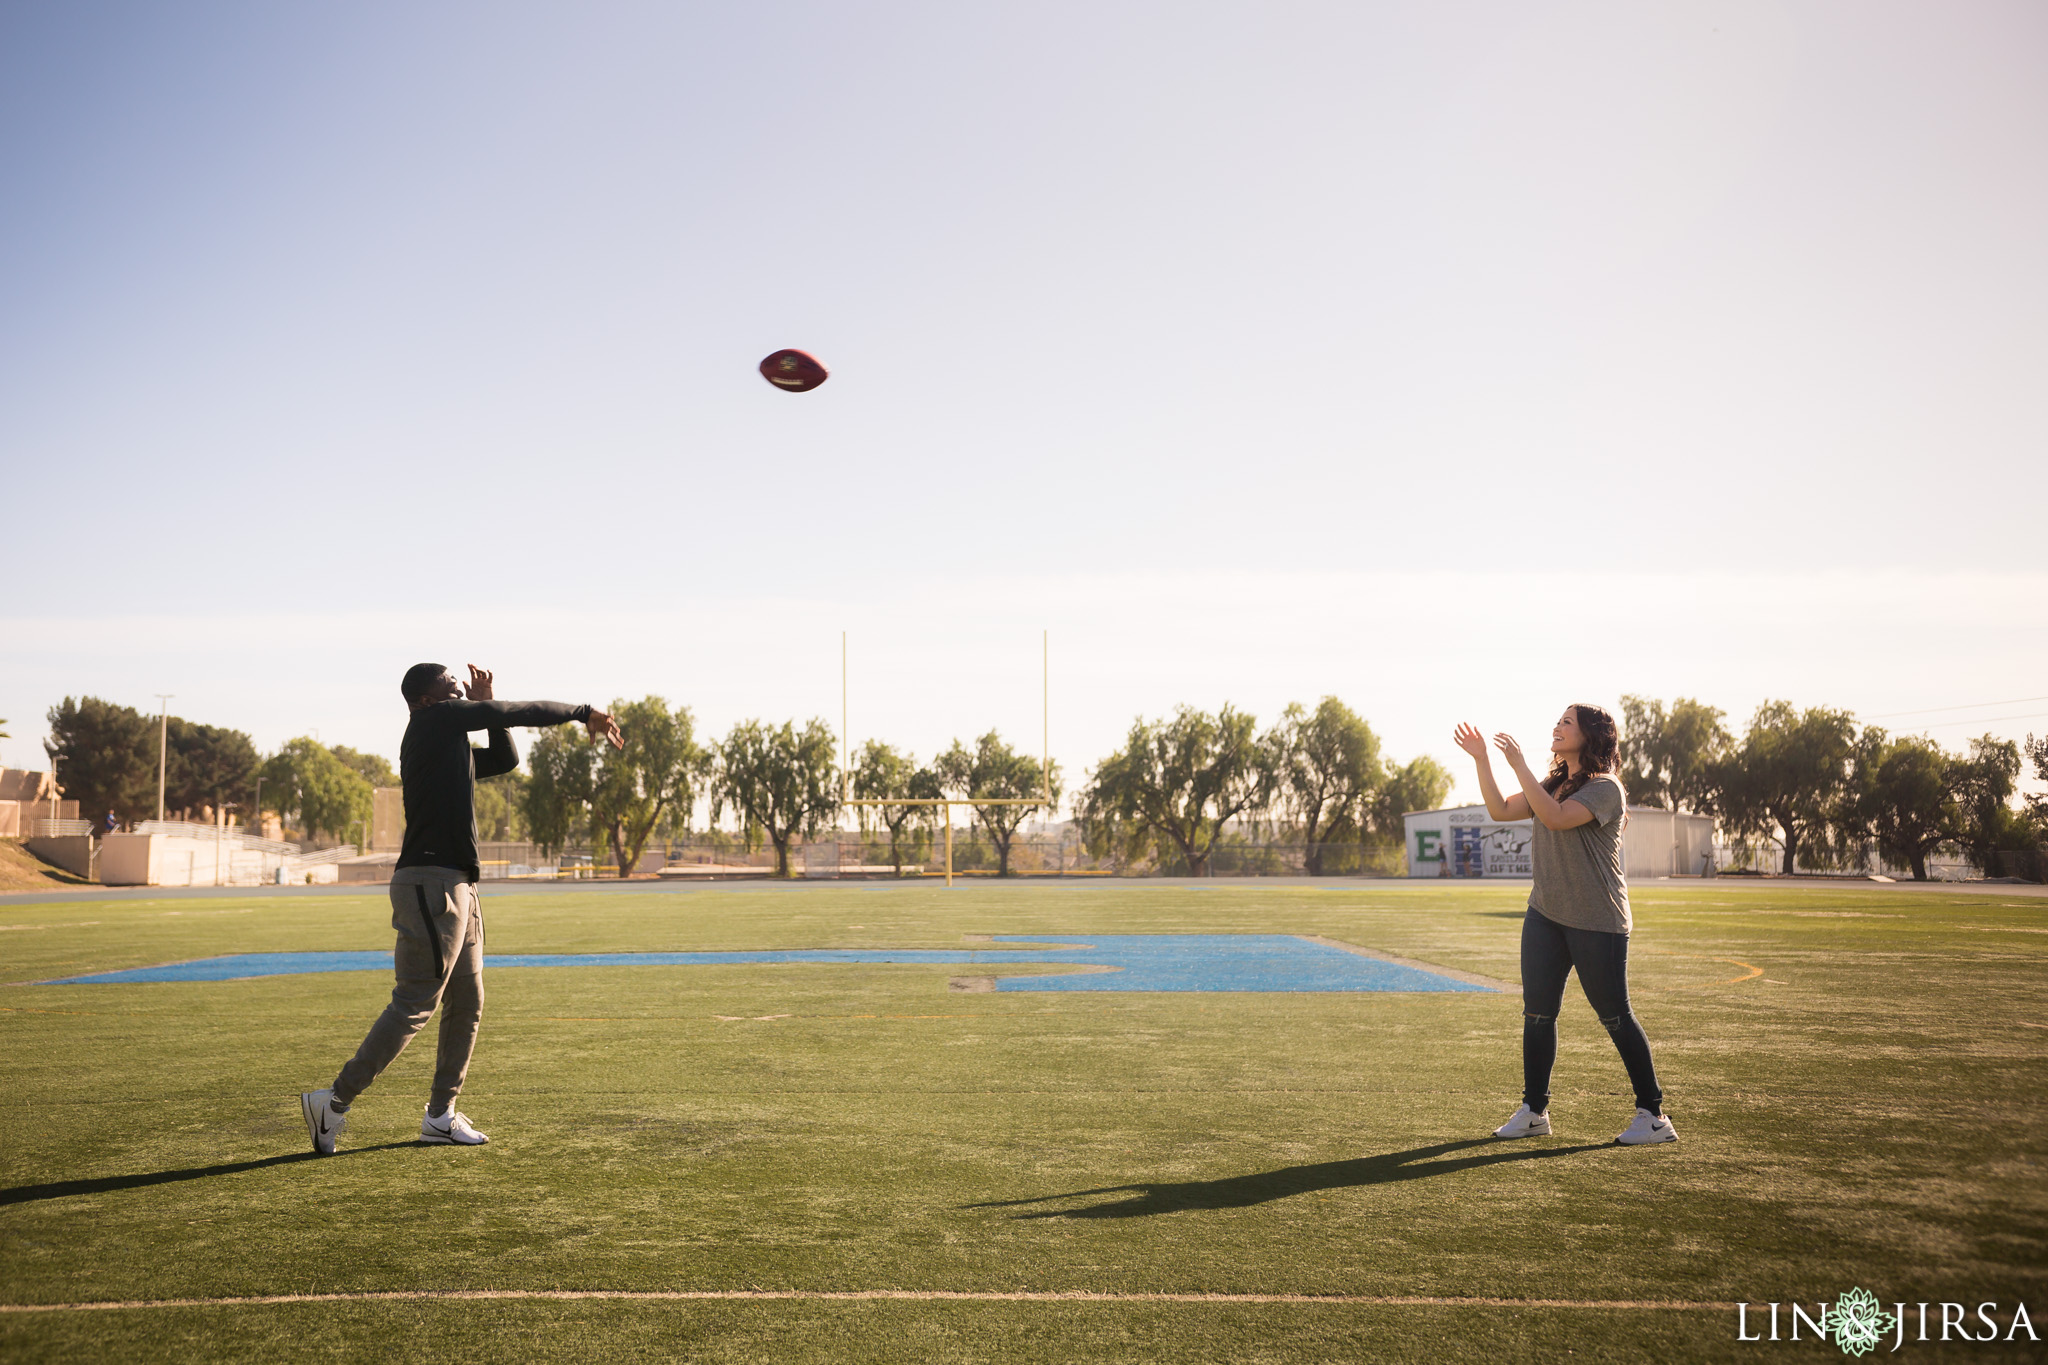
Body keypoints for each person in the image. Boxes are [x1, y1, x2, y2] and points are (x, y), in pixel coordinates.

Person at [301, 663, 622, 1155]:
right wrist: (582, 713)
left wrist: (488, 708)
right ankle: (334, 1100)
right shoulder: (434, 722)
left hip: (459, 887)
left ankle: (440, 1115)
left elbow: (505, 758)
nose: (459, 685)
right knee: (415, 1002)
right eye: (448, 682)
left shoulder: (447, 739)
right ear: (427, 699)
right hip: (431, 884)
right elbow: (517, 712)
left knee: (468, 1002)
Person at [1452, 705, 1676, 1147]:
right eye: (1558, 720)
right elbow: (1498, 810)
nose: (1557, 726)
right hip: (1545, 915)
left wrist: (1518, 764)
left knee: (1614, 1016)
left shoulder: (1606, 788)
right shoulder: (1553, 783)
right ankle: (1534, 1111)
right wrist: (1483, 759)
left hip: (1598, 920)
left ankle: (1653, 1115)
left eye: (1567, 722)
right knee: (1537, 1014)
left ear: (1590, 736)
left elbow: (1555, 818)